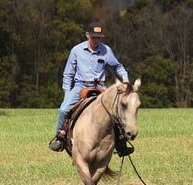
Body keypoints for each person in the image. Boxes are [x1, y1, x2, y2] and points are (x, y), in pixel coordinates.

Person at [49, 22, 134, 156]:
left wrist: (126, 79)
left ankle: (121, 143)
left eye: (99, 38)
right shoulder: (76, 50)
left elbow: (117, 66)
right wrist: (67, 93)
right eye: (94, 37)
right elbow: (68, 74)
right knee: (63, 109)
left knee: (118, 110)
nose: (96, 40)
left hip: (100, 86)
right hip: (80, 85)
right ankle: (60, 137)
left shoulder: (106, 50)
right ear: (87, 35)